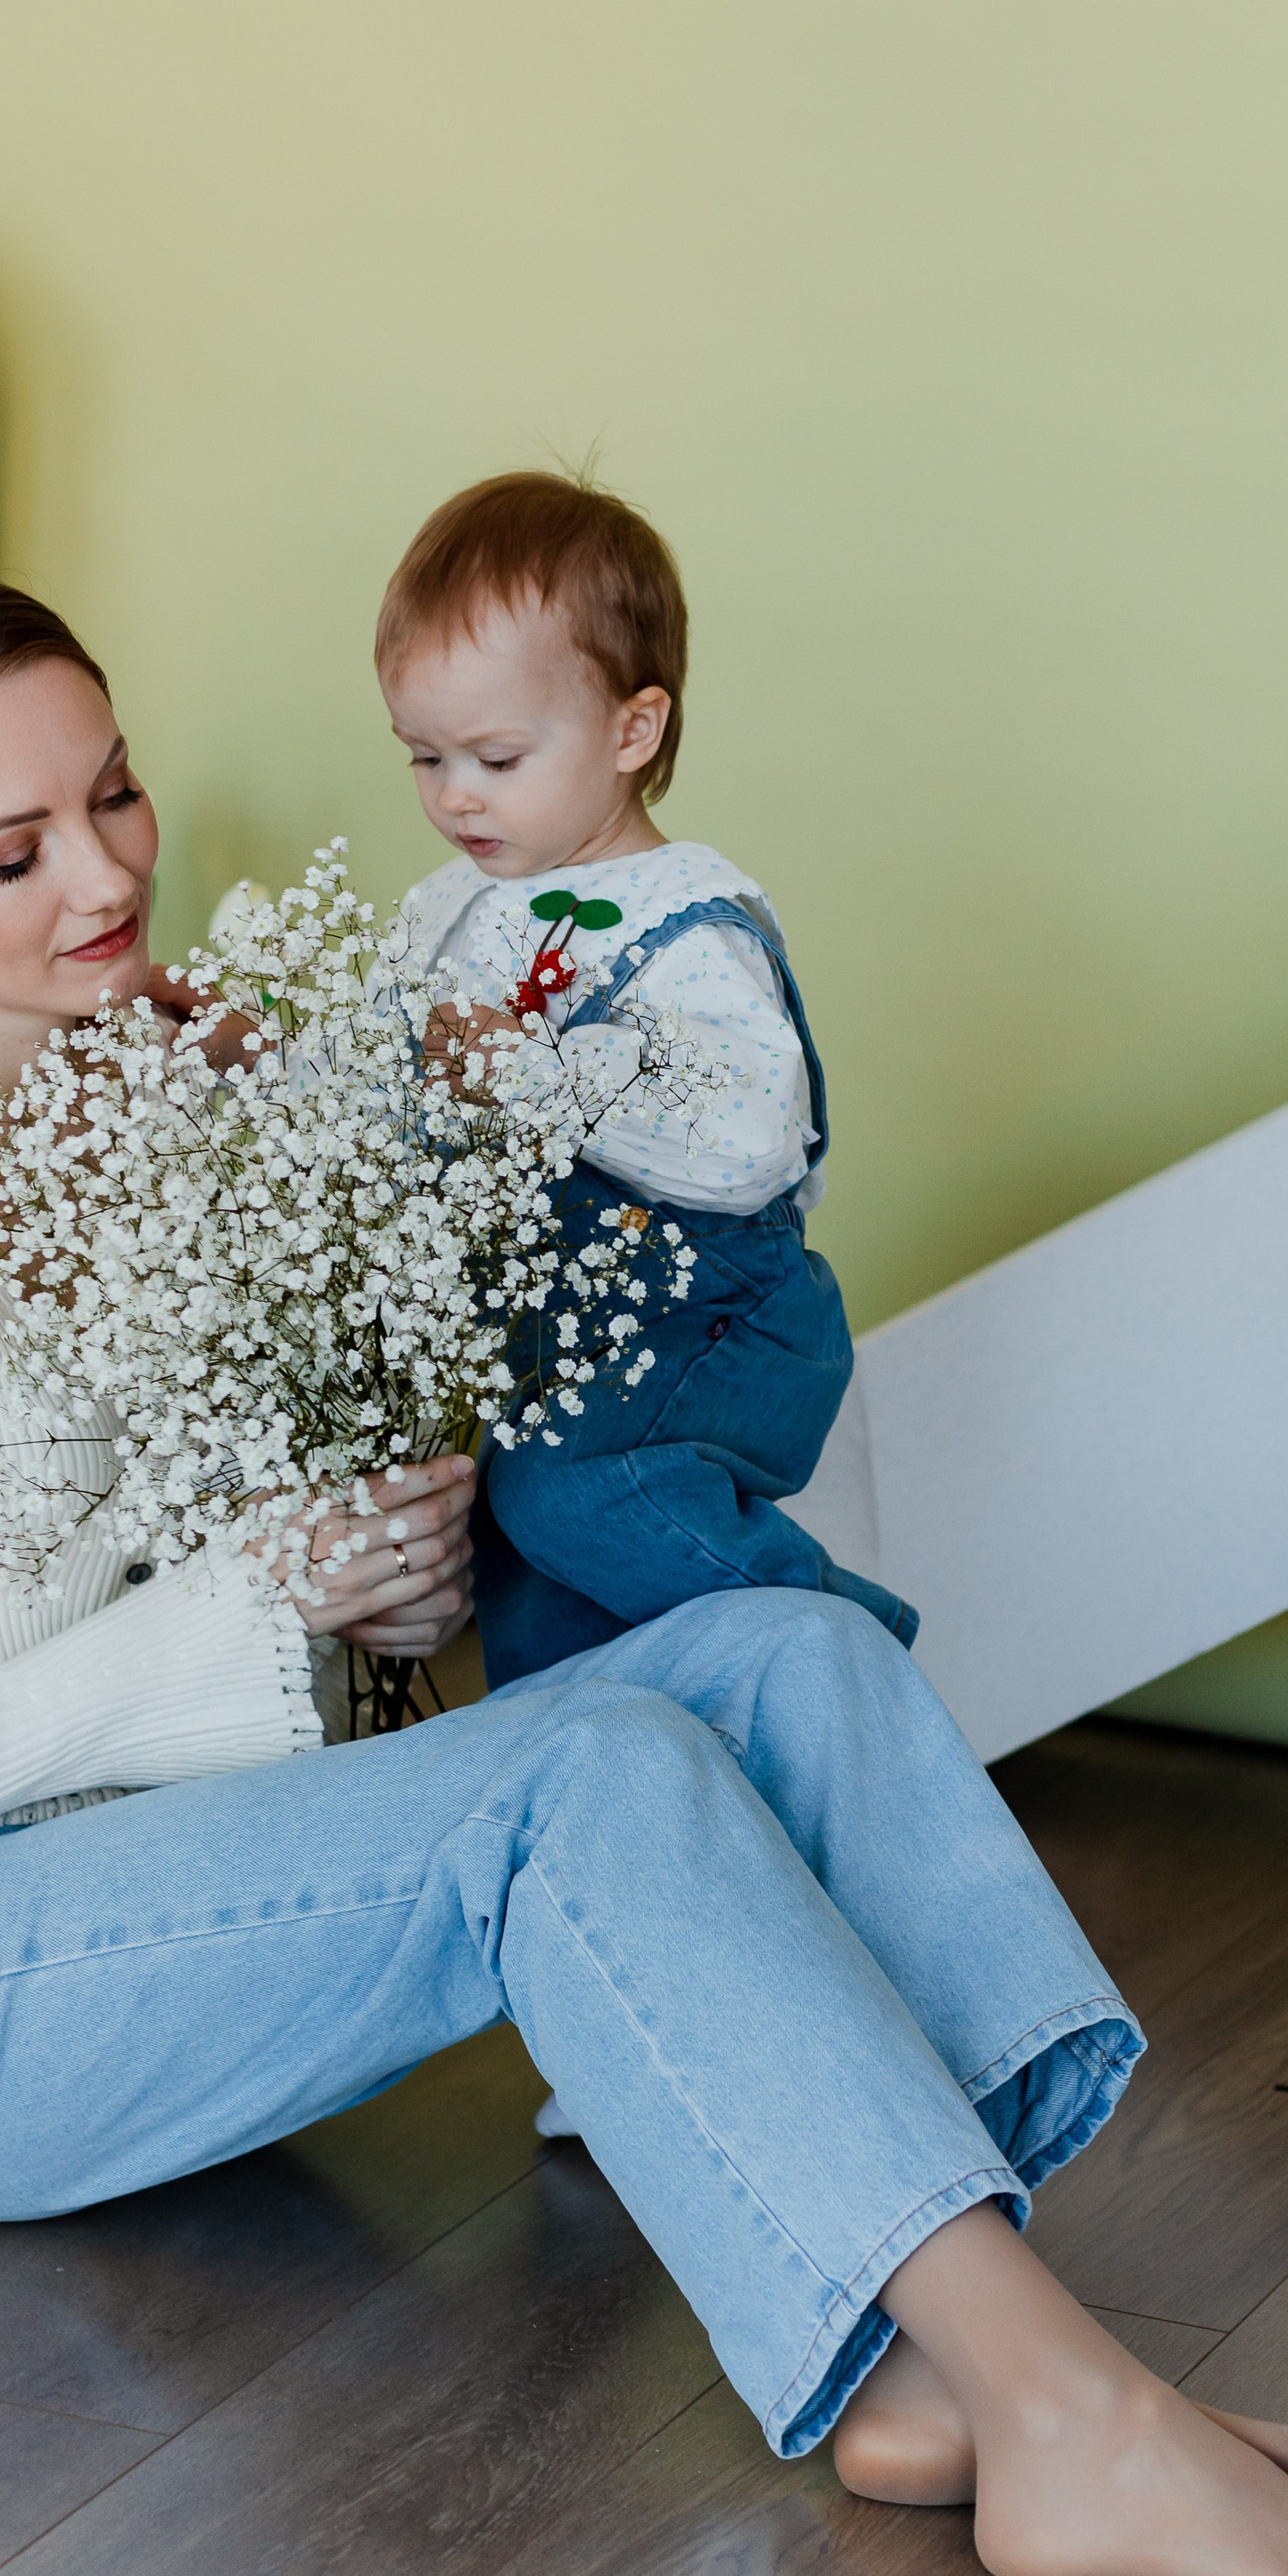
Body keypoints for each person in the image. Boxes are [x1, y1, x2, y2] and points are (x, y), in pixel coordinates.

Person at [0, 561, 1288, 2576]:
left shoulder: (125, 1121)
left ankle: (972, 2364)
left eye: (113, 795)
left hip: (118, 1879)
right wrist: (236, 1625)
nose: (106, 871)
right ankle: (1072, 2421)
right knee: (583, 1780)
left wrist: (369, 1611)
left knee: (782, 1647)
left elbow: (209, 1614)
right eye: (11, 850)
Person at [378, 470, 909, 1685]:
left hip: (708, 1319)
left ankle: (841, 1653)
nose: (457, 795)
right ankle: (608, 1762)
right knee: (539, 1585)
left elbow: (753, 1142)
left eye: (498, 756)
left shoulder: (686, 924)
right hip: (560, 1331)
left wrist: (536, 1078)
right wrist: (267, 1056)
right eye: (424, 757)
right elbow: (386, 1079)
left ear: (633, 729)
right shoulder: (450, 908)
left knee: (571, 1492)